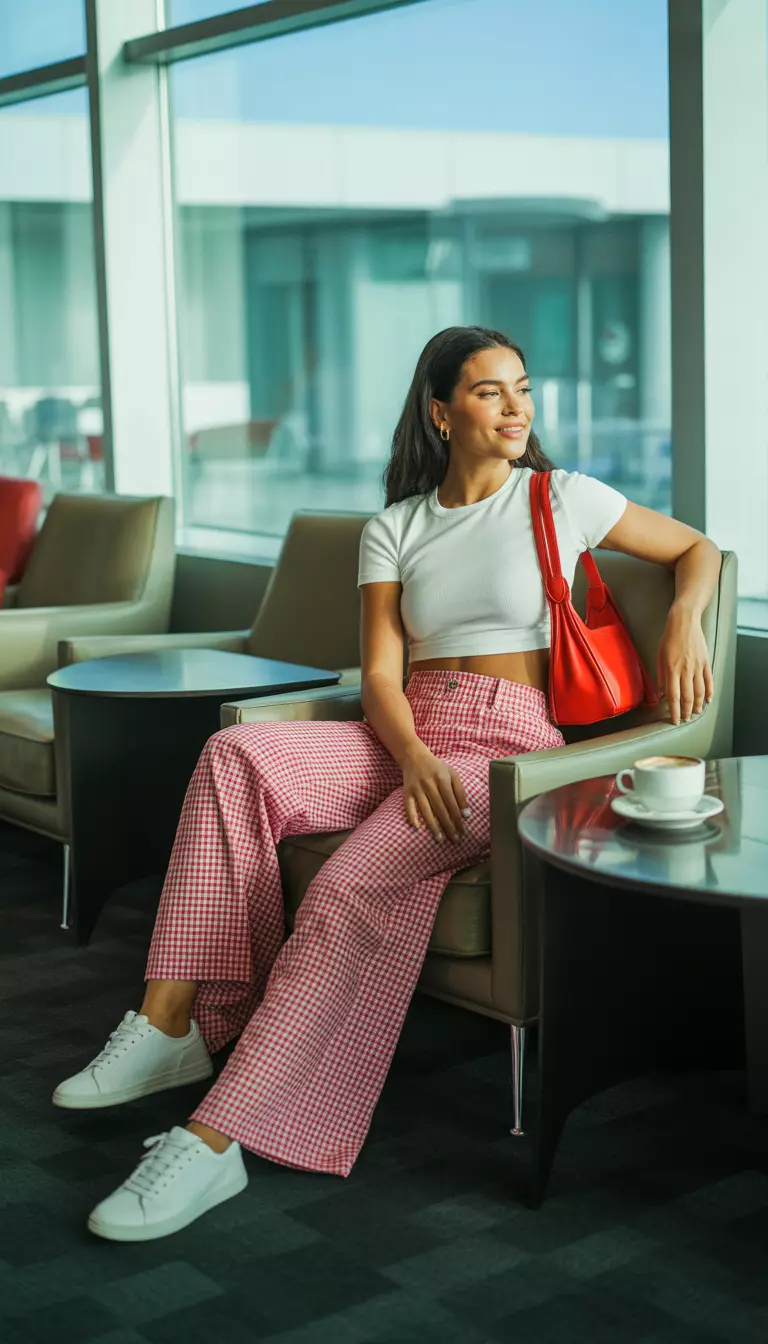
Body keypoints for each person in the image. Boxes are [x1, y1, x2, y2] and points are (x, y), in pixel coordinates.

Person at [53, 326, 721, 1242]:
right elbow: (377, 674)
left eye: (523, 388)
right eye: (490, 393)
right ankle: (170, 1020)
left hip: (504, 741)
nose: (518, 407)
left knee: (347, 892)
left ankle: (215, 1142)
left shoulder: (561, 498)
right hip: (403, 730)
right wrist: (410, 756)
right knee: (233, 756)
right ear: (442, 412)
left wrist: (683, 621)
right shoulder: (395, 526)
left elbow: (698, 552)